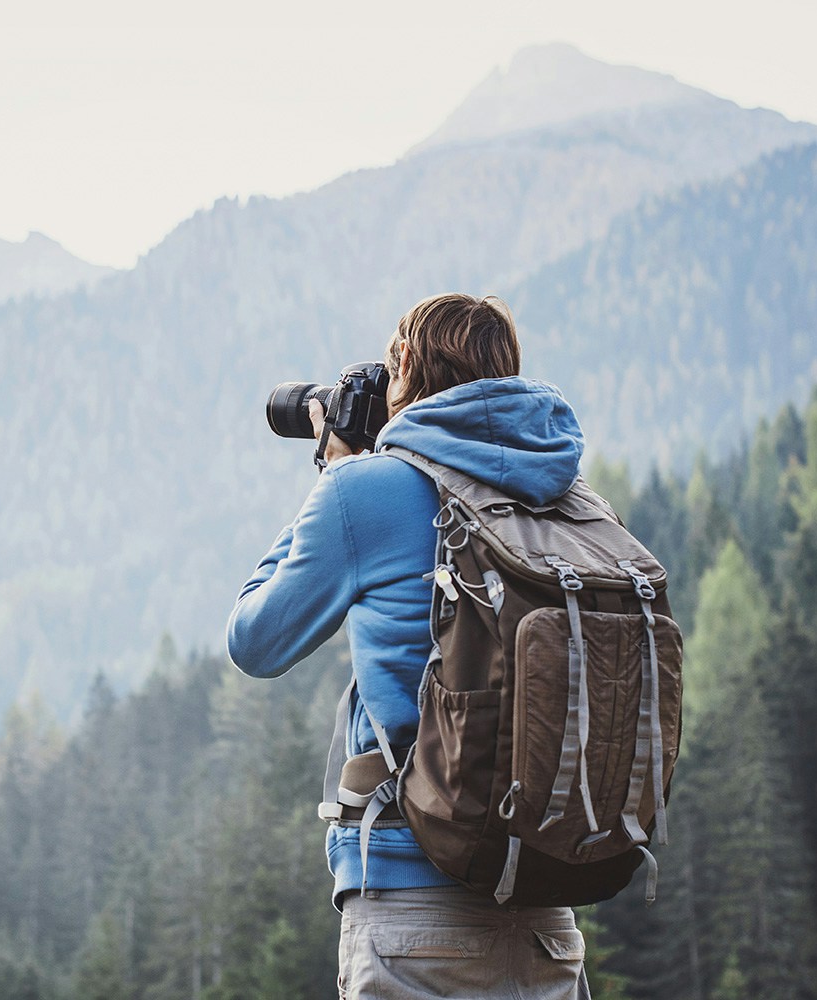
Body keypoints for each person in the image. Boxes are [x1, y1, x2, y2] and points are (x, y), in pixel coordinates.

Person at [226, 293, 593, 999]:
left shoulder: (369, 490)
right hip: (549, 917)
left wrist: (338, 470)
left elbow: (254, 639)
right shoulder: (563, 492)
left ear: (402, 369)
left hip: (415, 910)